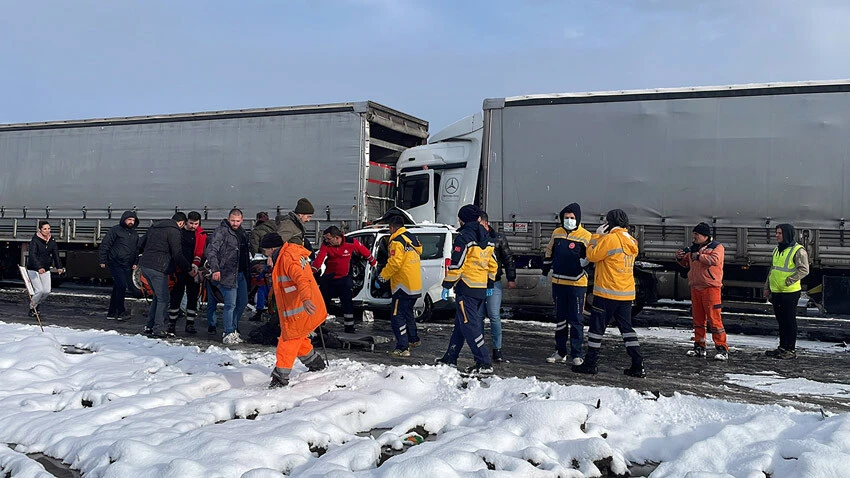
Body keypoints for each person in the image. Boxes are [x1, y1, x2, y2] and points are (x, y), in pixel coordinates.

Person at [572, 209, 646, 378]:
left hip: (607, 293)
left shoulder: (610, 239)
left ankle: (591, 363)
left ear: (610, 223)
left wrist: (597, 236)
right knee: (627, 329)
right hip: (626, 294)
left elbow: (591, 255)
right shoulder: (632, 240)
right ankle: (638, 363)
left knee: (596, 329)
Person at [437, 204, 498, 376]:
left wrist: (447, 284)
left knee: (469, 326)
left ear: (463, 219)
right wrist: (490, 283)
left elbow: (456, 265)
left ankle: (484, 362)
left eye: (459, 218)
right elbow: (493, 264)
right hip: (480, 288)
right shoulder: (487, 237)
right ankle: (450, 357)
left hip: (466, 288)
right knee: (460, 325)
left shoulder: (464, 237)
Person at [262, 232, 327, 388]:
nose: (264, 254)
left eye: (264, 251)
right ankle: (316, 363)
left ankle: (280, 377)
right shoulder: (287, 254)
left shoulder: (288, 259)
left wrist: (305, 300)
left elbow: (302, 280)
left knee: (288, 342)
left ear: (271, 248)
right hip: (299, 309)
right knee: (300, 339)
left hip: (301, 309)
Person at [541, 203, 591, 366]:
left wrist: (586, 264)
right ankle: (560, 352)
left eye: (572, 218)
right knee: (560, 319)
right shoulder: (557, 233)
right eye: (566, 218)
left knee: (576, 319)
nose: (569, 220)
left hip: (577, 284)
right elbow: (549, 251)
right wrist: (545, 270)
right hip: (558, 282)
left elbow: (591, 257)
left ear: (578, 219)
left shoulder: (586, 236)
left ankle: (577, 354)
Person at [676, 222, 728, 360]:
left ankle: (722, 348)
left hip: (711, 288)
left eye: (697, 234)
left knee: (714, 319)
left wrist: (698, 256)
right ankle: (699, 346)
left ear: (705, 236)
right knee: (698, 320)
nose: (694, 237)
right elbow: (686, 263)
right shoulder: (693, 249)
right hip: (696, 287)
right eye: (694, 234)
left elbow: (715, 260)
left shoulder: (717, 247)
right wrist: (680, 257)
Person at [312, 225, 376, 333]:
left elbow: (364, 252)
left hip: (344, 277)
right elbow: (320, 259)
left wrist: (373, 263)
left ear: (337, 238)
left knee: (347, 302)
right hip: (330, 277)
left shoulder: (351, 242)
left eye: (329, 239)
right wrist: (312, 271)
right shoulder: (326, 245)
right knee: (322, 302)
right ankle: (318, 327)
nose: (326, 241)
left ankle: (349, 327)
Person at [138, 213, 193, 337]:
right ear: (181, 223)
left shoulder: (154, 227)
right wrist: (188, 268)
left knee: (158, 297)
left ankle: (149, 326)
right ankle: (159, 329)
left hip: (145, 265)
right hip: (158, 267)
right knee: (164, 298)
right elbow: (177, 253)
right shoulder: (174, 231)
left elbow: (140, 243)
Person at [377, 215, 423, 356]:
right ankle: (413, 339)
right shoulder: (411, 238)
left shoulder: (397, 241)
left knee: (397, 316)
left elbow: (394, 263)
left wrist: (382, 277)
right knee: (408, 313)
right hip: (414, 284)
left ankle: (402, 347)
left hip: (402, 285)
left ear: (392, 228)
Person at [764, 223, 809, 360]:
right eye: (776, 233)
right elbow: (773, 269)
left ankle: (790, 349)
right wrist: (767, 287)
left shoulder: (798, 250)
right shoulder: (777, 250)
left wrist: (789, 280)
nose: (777, 235)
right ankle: (783, 347)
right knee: (781, 320)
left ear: (787, 234)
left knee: (789, 321)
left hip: (789, 292)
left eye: (779, 233)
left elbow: (804, 269)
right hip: (777, 291)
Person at [206, 208, 251, 345]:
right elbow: (211, 250)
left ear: (242, 220)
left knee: (242, 302)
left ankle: (233, 328)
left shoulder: (242, 233)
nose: (235, 223)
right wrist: (215, 269)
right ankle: (228, 331)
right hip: (227, 273)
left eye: (237, 221)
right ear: (228, 218)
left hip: (241, 272)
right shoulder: (221, 231)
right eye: (232, 220)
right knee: (230, 304)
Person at [478, 211, 516, 363]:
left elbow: (508, 258)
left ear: (486, 224)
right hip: (478, 282)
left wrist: (511, 277)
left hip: (494, 282)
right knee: (478, 317)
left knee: (494, 315)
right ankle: (479, 348)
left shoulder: (498, 238)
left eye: (479, 224)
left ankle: (497, 349)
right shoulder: (475, 238)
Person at [167, 211, 206, 334]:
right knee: (176, 296)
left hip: (193, 269)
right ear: (186, 222)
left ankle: (190, 323)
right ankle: (171, 324)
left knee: (192, 296)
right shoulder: (179, 232)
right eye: (191, 223)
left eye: (196, 224)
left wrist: (195, 265)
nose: (193, 226)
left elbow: (200, 251)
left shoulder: (201, 234)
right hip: (179, 269)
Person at [98, 210, 140, 321]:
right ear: (124, 219)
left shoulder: (134, 234)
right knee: (122, 286)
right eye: (129, 219)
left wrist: (135, 262)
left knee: (117, 287)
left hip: (127, 264)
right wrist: (102, 260)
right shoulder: (115, 230)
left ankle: (111, 312)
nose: (131, 222)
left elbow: (136, 249)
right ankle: (121, 312)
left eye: (133, 220)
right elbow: (105, 244)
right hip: (115, 263)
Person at [25, 220, 65, 316]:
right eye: (45, 229)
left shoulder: (52, 240)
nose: (47, 231)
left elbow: (56, 254)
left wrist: (59, 267)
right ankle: (32, 307)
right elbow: (32, 255)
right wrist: (38, 267)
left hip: (46, 268)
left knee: (47, 291)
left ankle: (37, 304)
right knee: (39, 290)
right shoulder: (35, 240)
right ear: (40, 230)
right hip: (33, 269)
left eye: (49, 229)